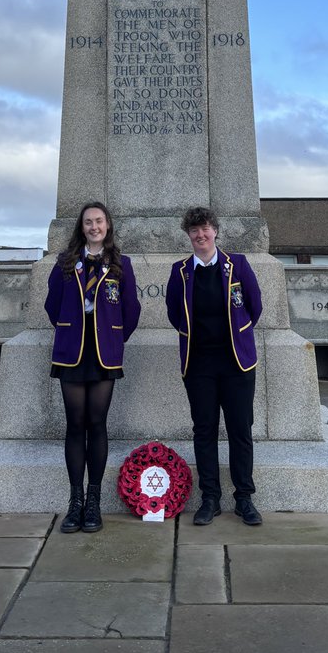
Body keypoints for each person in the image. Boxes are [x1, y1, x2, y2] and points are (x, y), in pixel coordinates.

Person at [45, 201, 141, 533]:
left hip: (104, 354)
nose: (94, 227)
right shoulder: (65, 263)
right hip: (72, 351)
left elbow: (131, 310)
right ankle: (75, 503)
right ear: (82, 227)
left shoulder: (120, 264)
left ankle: (94, 503)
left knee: (97, 424)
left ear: (108, 225)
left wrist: (113, 338)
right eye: (88, 222)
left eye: (99, 221)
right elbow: (51, 304)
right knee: (75, 425)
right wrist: (71, 329)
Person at [165, 206, 263, 526]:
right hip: (199, 365)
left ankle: (244, 498)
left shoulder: (238, 265)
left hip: (236, 362)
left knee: (239, 430)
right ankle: (210, 498)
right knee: (204, 430)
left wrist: (237, 335)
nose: (200, 235)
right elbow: (174, 313)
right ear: (188, 235)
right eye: (194, 230)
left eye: (205, 228)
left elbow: (254, 305)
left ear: (216, 231)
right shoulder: (180, 271)